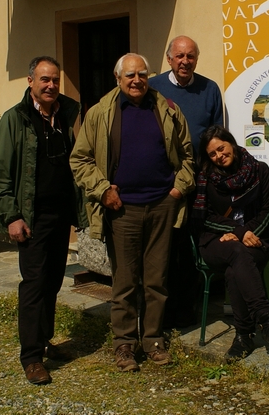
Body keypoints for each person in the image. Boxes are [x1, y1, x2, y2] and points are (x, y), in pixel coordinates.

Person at [70, 53, 194, 371]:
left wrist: (178, 188)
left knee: (157, 280)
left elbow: (188, 156)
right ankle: (124, 344)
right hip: (122, 210)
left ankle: (153, 339)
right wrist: (103, 190)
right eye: (130, 75)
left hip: (162, 206)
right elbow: (79, 159)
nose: (136, 80)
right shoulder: (100, 113)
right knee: (125, 282)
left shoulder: (167, 109)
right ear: (118, 78)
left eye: (141, 74)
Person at [0, 56, 85, 385]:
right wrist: (11, 217)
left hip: (60, 217)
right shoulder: (15, 120)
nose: (51, 86)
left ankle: (44, 340)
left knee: (53, 282)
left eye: (55, 80)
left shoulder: (66, 115)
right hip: (31, 219)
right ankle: (30, 357)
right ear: (30, 82)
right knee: (33, 285)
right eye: (44, 79)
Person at [193, 125, 269, 361]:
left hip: (256, 239)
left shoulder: (259, 170)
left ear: (232, 144)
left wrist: (245, 233)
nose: (219, 156)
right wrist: (238, 232)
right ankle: (266, 321)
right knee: (237, 252)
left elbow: (266, 211)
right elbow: (205, 217)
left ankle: (243, 336)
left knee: (234, 267)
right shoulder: (206, 178)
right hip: (215, 241)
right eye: (212, 154)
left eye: (221, 148)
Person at [149, 35, 224, 327]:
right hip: (165, 184)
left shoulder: (209, 89)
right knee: (166, 250)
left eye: (190, 56)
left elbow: (218, 136)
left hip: (200, 182)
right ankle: (163, 313)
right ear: (169, 59)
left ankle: (186, 311)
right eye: (179, 56)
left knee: (192, 248)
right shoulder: (154, 87)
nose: (185, 62)